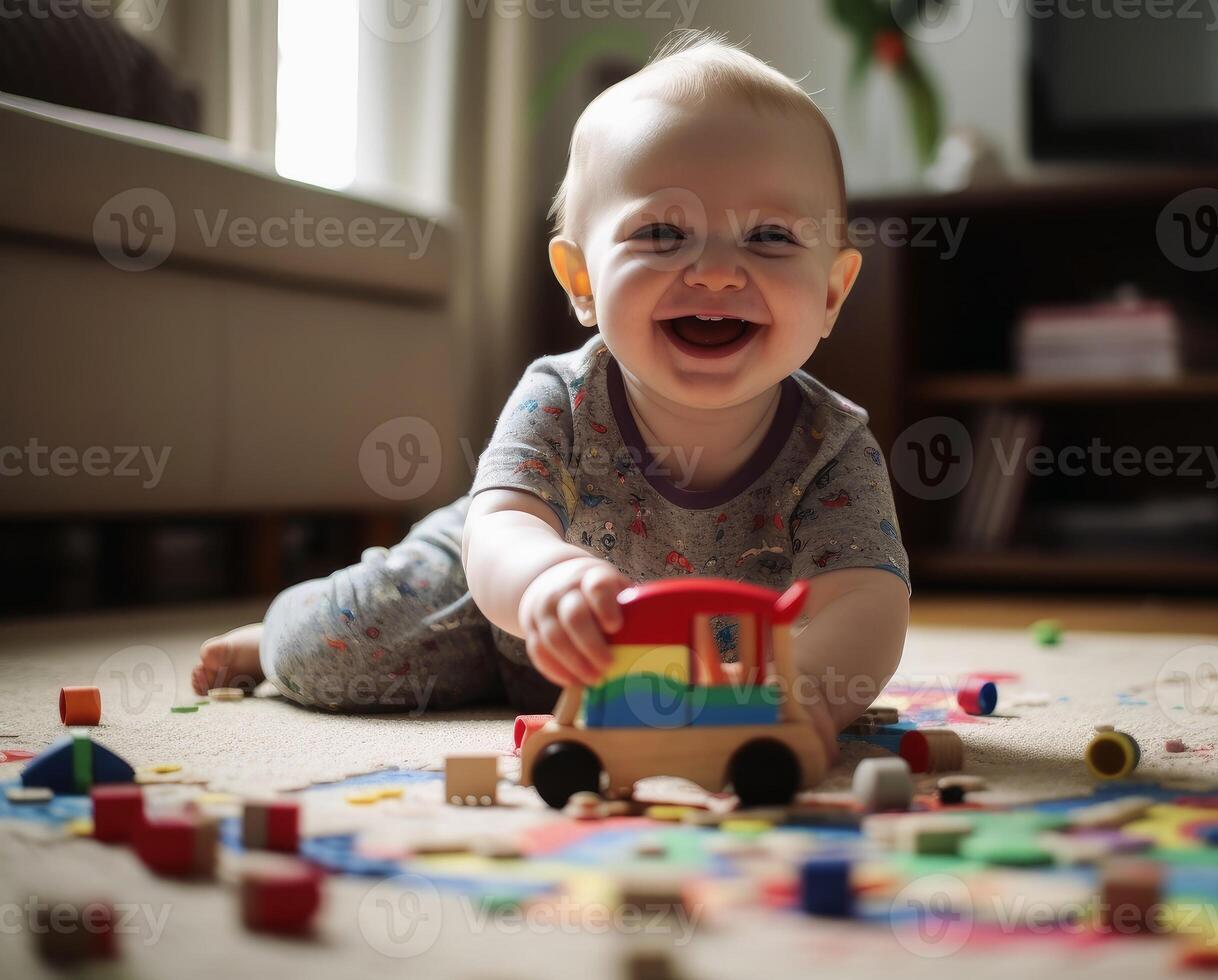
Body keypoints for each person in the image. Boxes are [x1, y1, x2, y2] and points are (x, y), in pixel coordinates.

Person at [193, 32, 911, 761]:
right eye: (662, 232)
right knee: (337, 654)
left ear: (830, 292)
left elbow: (864, 600)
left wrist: (808, 696)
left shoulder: (834, 445)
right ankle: (272, 635)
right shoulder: (561, 399)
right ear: (581, 282)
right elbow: (502, 528)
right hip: (500, 610)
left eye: (769, 237)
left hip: (706, 672)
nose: (718, 273)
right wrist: (547, 580)